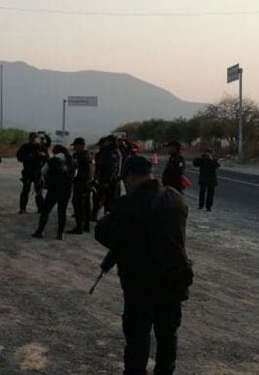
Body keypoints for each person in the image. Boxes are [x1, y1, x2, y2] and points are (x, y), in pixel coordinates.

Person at [95, 155, 193, 375]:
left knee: (138, 337)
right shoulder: (174, 197)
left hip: (141, 281)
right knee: (167, 335)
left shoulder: (129, 203)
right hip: (174, 277)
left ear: (130, 177)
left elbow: (104, 233)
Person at [32, 145, 73, 240]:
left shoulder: (52, 160)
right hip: (66, 190)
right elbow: (74, 174)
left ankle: (40, 231)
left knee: (46, 211)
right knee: (62, 212)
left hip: (54, 189)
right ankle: (60, 234)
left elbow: (42, 172)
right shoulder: (70, 160)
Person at [67, 137, 94, 234]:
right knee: (86, 204)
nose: (74, 148)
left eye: (75, 146)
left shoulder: (80, 157)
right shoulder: (89, 155)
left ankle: (79, 227)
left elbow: (75, 169)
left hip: (80, 183)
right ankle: (86, 225)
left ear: (80, 146)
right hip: (87, 183)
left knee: (78, 204)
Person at [17, 132, 48, 214]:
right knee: (25, 190)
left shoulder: (41, 147)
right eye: (32, 138)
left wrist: (42, 155)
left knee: (39, 191)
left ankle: (40, 209)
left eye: (35, 138)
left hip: (38, 172)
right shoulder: (25, 147)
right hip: (27, 171)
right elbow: (19, 157)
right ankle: (23, 209)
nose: (33, 139)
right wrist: (28, 157)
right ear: (29, 138)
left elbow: (47, 159)